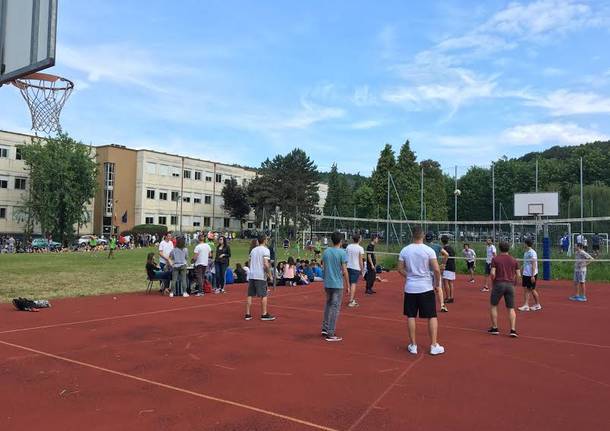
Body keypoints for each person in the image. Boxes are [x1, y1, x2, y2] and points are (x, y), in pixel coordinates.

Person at [398, 226, 445, 356]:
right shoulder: (428, 250)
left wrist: (410, 276)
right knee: (432, 316)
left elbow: (400, 269)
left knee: (411, 315)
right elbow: (436, 269)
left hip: (411, 288)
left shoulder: (405, 250)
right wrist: (437, 283)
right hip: (426, 287)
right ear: (423, 236)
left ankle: (413, 345)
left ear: (412, 235)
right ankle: (434, 345)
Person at [321, 231, 349, 342]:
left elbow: (323, 265)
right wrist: (348, 285)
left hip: (328, 283)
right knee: (335, 307)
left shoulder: (326, 251)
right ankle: (330, 332)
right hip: (337, 284)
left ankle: (325, 327)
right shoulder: (342, 253)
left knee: (328, 305)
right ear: (340, 241)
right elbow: (345, 270)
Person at [489, 241, 520, 337]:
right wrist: (514, 283)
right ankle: (513, 330)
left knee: (494, 305)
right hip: (510, 285)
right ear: (508, 249)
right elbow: (518, 275)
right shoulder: (514, 260)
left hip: (499, 283)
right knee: (511, 308)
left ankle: (495, 327)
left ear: (499, 248)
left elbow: (493, 273)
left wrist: (493, 281)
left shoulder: (495, 259)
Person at [245, 235, 275, 321]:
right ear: (265, 240)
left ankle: (247, 314)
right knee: (264, 295)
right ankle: (264, 314)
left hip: (252, 275)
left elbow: (249, 263)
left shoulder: (253, 250)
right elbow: (266, 264)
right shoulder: (266, 250)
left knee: (250, 294)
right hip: (260, 275)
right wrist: (270, 275)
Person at [425, 233, 447, 313]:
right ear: (433, 239)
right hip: (436, 269)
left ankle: (428, 304)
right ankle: (442, 305)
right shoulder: (437, 246)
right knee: (439, 287)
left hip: (427, 271)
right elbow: (446, 254)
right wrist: (443, 264)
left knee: (428, 288)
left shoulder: (423, 247)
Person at [518, 239, 541, 311]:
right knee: (527, 289)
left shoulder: (532, 253)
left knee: (531, 289)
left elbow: (534, 264)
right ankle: (527, 305)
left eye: (524, 243)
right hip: (526, 273)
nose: (523, 244)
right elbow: (525, 264)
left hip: (531, 274)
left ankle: (536, 305)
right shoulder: (526, 252)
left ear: (526, 244)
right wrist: (520, 271)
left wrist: (533, 275)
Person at [345, 234, 364, 307]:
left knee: (349, 283)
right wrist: (362, 270)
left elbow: (346, 257)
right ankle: (351, 300)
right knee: (353, 283)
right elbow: (360, 260)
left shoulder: (348, 246)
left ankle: (349, 294)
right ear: (359, 239)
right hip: (355, 267)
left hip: (348, 267)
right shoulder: (360, 248)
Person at [440, 235, 456, 303]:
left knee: (445, 282)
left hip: (447, 267)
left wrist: (443, 265)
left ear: (441, 241)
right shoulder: (451, 248)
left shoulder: (444, 248)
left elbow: (445, 257)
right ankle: (451, 297)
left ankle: (448, 297)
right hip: (452, 266)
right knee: (451, 282)